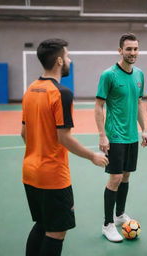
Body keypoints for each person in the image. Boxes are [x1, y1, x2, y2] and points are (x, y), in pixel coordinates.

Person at [21, 38, 108, 256]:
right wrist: (92, 156)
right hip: (52, 176)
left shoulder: (31, 89)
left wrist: (39, 150)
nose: (70, 60)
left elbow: (24, 133)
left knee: (42, 224)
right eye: (67, 56)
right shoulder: (61, 93)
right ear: (59, 60)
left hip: (30, 172)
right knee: (56, 232)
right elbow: (64, 138)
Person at [95, 33, 147, 242]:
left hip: (131, 136)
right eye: (128, 49)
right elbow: (99, 106)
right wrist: (102, 135)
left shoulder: (139, 75)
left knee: (126, 176)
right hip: (115, 135)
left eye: (135, 49)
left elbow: (138, 104)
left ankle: (119, 215)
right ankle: (107, 224)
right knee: (115, 178)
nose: (133, 53)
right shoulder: (108, 75)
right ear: (120, 50)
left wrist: (144, 129)